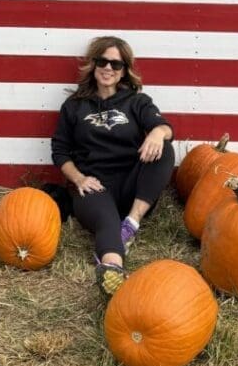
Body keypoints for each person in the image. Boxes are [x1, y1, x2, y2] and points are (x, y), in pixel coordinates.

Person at [51, 35, 175, 295]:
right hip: (94, 186)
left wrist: (157, 132)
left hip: (133, 188)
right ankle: (112, 273)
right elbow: (60, 151)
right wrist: (78, 179)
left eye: (116, 65)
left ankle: (131, 222)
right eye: (102, 62)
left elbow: (165, 128)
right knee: (107, 223)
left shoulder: (136, 101)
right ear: (93, 66)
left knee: (165, 148)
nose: (108, 68)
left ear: (124, 71)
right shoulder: (74, 106)